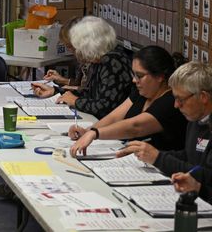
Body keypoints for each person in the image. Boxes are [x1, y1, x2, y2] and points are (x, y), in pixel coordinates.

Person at [68, 46, 186, 157]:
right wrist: (87, 131)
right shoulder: (143, 92)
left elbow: (135, 127)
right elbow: (114, 117)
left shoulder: (170, 101)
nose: (134, 80)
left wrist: (95, 134)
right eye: (134, 74)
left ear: (160, 76)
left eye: (140, 75)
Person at [119, 62, 212, 202]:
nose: (176, 105)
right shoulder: (195, 118)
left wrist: (158, 158)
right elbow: (189, 156)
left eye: (180, 99)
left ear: (203, 97)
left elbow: (207, 175)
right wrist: (146, 154)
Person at [31, 16, 132, 118]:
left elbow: (105, 107)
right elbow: (90, 93)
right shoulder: (101, 60)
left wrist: (75, 101)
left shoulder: (112, 62)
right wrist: (55, 91)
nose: (76, 53)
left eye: (77, 47)